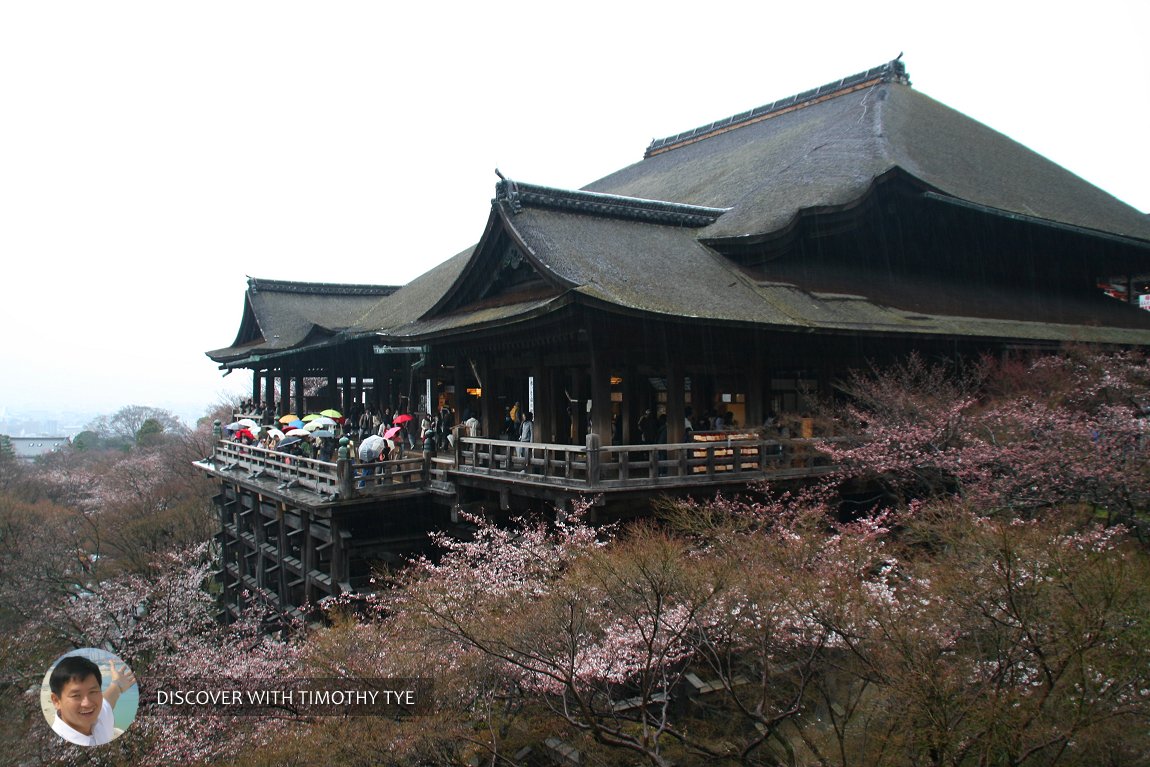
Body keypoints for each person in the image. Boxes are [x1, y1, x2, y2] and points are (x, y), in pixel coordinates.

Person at [48, 655, 134, 747]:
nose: (87, 703)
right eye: (76, 695)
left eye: (92, 692)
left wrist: (118, 684)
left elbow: (108, 700)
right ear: (56, 701)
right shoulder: (57, 744)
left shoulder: (99, 718)